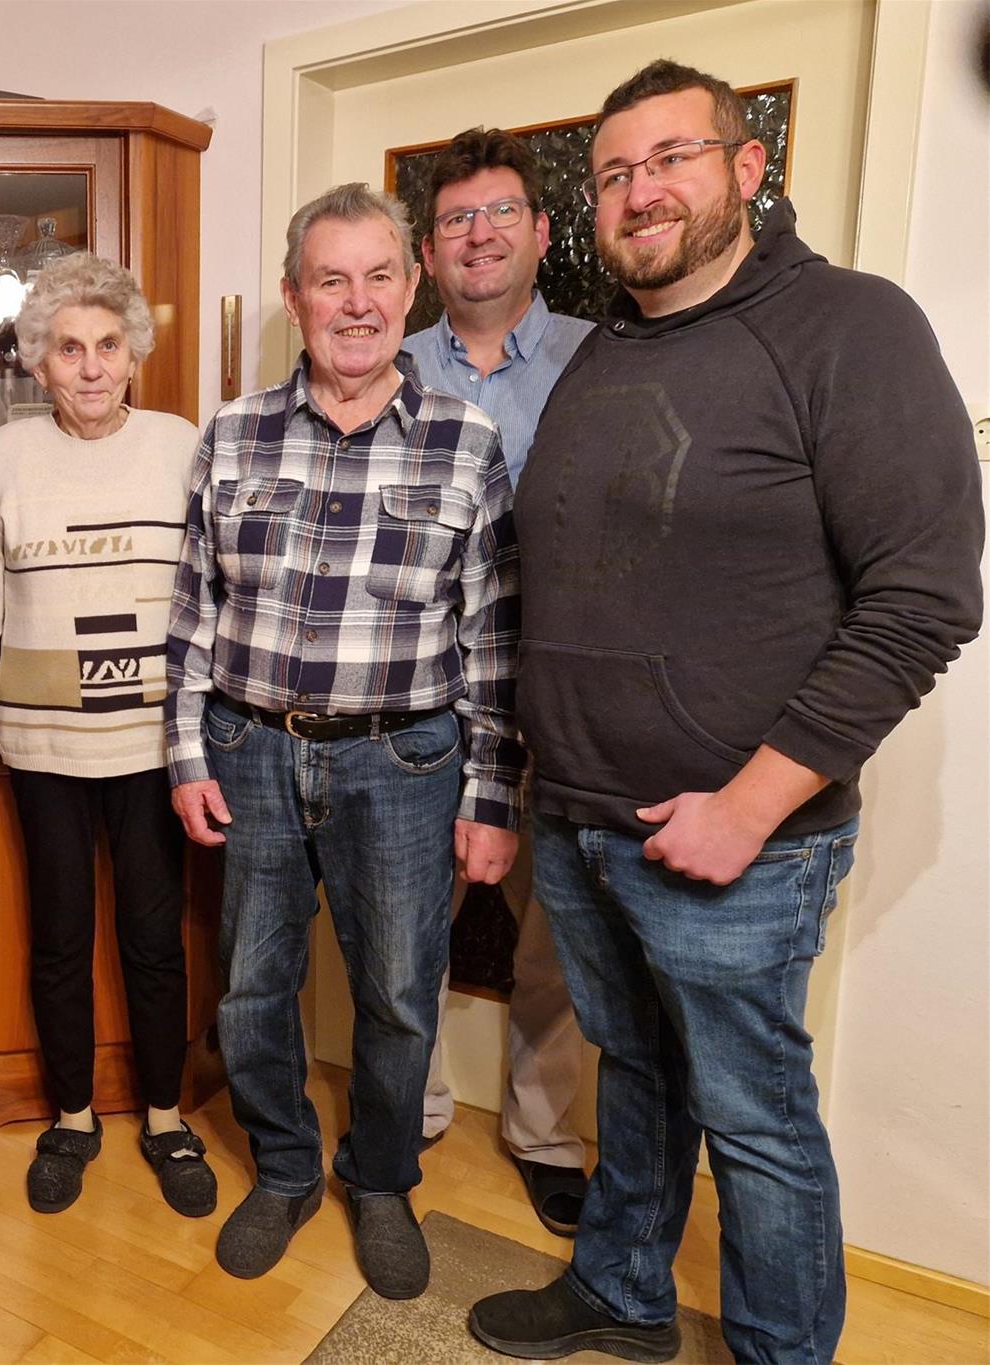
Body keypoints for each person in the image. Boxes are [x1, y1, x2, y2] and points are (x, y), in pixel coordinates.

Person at [467, 61, 983, 1364]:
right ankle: (628, 1291)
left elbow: (923, 600)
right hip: (582, 815)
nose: (641, 192)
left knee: (757, 1124)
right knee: (634, 1074)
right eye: (616, 172)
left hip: (737, 837)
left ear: (749, 170)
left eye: (672, 158)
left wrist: (750, 805)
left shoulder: (849, 328)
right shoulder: (609, 349)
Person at [166, 182, 525, 1298]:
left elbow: (494, 634)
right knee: (250, 991)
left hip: (405, 764)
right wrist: (187, 753)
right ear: (292, 297)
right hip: (250, 752)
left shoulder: (467, 443)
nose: (356, 303)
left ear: (410, 288)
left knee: (398, 992)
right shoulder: (229, 434)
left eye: (378, 277)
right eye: (330, 280)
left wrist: (491, 795)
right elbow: (192, 611)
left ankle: (377, 1182)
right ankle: (280, 1168)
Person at [0, 253, 216, 1219]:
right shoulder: (7, 456)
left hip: (155, 749)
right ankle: (72, 1117)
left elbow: (209, 596)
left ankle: (163, 1116)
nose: (90, 366)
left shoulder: (180, 444)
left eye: (108, 346)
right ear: (38, 361)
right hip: (41, 749)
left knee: (155, 942)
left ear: (132, 352)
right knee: (60, 941)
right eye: (68, 349)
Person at [399, 127, 595, 1236]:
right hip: (426, 705)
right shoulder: (386, 365)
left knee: (554, 934)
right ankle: (409, 1108)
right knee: (407, 927)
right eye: (456, 219)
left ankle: (541, 1130)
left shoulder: (599, 359)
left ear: (541, 231)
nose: (478, 235)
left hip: (562, 700)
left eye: (500, 214)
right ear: (427, 252)